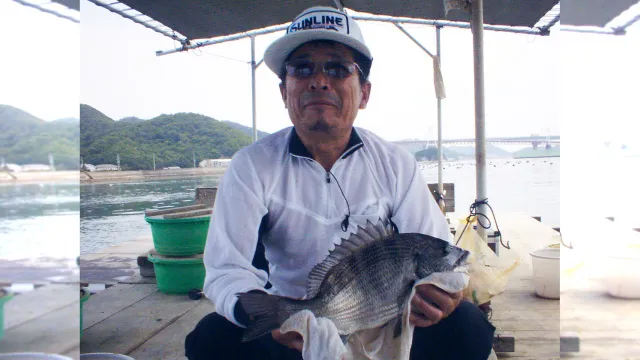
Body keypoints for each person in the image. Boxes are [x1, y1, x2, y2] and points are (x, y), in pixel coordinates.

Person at [185, 5, 495, 360]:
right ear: (284, 91)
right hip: (296, 326)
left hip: (389, 321)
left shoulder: (395, 164)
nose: (319, 80)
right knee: (211, 339)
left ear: (363, 93)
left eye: (336, 68)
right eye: (302, 68)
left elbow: (434, 249)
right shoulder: (251, 166)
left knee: (468, 328)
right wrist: (273, 321)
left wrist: (443, 296)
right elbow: (226, 269)